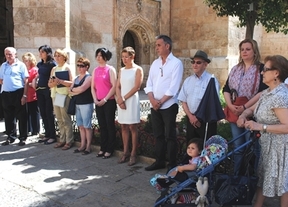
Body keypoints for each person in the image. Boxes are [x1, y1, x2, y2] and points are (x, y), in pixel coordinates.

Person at [237, 55, 288, 207]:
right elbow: (251, 109)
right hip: (267, 146)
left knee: (282, 184)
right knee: (263, 178)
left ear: (276, 73)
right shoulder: (267, 93)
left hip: (279, 148)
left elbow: (287, 126)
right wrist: (243, 116)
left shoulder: (280, 96)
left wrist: (261, 127)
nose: (261, 73)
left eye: (265, 69)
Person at [222, 39, 268, 174]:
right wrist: (230, 105)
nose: (244, 52)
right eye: (242, 49)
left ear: (254, 51)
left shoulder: (261, 69)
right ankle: (237, 176)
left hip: (252, 112)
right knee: (238, 146)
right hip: (234, 111)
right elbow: (226, 88)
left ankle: (251, 177)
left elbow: (262, 91)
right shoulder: (236, 69)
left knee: (251, 146)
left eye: (248, 49)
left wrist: (245, 107)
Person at [144, 35, 183, 171]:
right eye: (156, 45)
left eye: (159, 45)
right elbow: (149, 84)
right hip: (155, 105)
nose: (156, 48)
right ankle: (159, 161)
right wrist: (152, 100)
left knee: (170, 136)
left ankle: (172, 164)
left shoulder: (176, 63)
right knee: (158, 135)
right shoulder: (155, 63)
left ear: (167, 46)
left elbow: (174, 87)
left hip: (168, 105)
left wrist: (160, 101)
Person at [178, 50, 220, 146]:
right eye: (193, 62)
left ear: (205, 65)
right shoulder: (188, 81)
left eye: (198, 62)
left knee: (206, 149)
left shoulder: (211, 81)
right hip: (191, 119)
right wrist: (190, 116)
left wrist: (199, 118)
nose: (195, 65)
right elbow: (183, 101)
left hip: (206, 121)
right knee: (191, 148)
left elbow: (213, 103)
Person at [116, 46, 143, 166]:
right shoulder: (121, 70)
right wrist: (119, 100)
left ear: (132, 57)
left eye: (126, 57)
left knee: (132, 126)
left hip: (131, 100)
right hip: (122, 101)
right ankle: (125, 152)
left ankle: (133, 153)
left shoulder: (138, 69)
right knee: (123, 127)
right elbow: (117, 86)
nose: (124, 59)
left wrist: (124, 99)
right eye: (122, 57)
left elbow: (136, 87)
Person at [91, 48, 117, 159]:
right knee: (102, 126)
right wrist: (95, 100)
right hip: (98, 101)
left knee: (109, 125)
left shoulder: (110, 69)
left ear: (106, 57)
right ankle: (103, 148)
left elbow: (114, 86)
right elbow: (93, 87)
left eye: (101, 55)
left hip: (109, 102)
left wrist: (105, 99)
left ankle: (110, 149)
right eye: (97, 55)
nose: (98, 57)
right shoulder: (95, 70)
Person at [0, 47, 28, 146]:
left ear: (15, 54)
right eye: (6, 54)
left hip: (18, 92)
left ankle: (23, 137)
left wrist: (24, 95)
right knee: (8, 116)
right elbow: (1, 79)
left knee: (21, 116)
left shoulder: (21, 65)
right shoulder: (3, 65)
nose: (8, 56)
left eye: (10, 54)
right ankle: (10, 136)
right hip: (6, 93)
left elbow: (26, 81)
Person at [48, 49, 74, 150]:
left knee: (66, 119)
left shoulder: (67, 67)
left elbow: (72, 83)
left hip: (63, 95)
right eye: (56, 56)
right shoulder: (54, 69)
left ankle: (69, 140)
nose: (57, 58)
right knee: (59, 119)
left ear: (64, 57)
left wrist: (60, 81)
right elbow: (49, 84)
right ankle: (62, 139)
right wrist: (52, 83)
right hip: (55, 95)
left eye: (59, 55)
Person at [69, 57, 93, 155]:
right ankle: (82, 145)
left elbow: (82, 89)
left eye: (82, 66)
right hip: (78, 104)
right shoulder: (76, 78)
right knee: (81, 126)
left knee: (87, 126)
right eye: (78, 65)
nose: (79, 68)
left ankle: (88, 147)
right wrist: (76, 90)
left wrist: (75, 90)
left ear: (87, 67)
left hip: (86, 104)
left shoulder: (89, 77)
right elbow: (70, 91)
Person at [35, 45, 57, 144]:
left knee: (49, 113)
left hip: (47, 91)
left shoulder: (52, 64)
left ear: (48, 53)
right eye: (40, 52)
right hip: (40, 90)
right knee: (43, 113)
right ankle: (47, 134)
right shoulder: (40, 64)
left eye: (42, 52)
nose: (40, 54)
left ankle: (52, 135)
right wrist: (35, 80)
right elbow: (39, 74)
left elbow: (53, 77)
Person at [22, 52, 40, 136]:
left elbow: (35, 83)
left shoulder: (34, 70)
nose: (25, 62)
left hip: (33, 94)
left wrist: (27, 84)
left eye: (27, 60)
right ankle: (29, 129)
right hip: (26, 94)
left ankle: (35, 130)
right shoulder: (24, 70)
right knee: (27, 113)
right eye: (24, 60)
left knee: (34, 112)